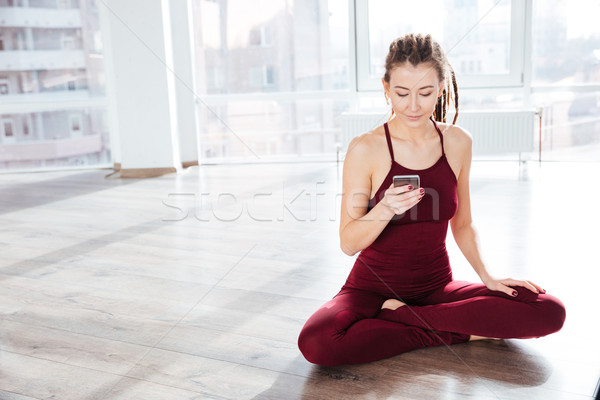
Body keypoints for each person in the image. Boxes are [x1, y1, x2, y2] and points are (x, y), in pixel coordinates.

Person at [297, 33, 566, 367]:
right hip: (371, 290)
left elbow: (463, 224)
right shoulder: (364, 148)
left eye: (425, 93)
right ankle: (450, 329)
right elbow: (348, 243)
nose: (413, 105)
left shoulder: (458, 142)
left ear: (440, 88)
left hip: (436, 287)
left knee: (547, 309)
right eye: (401, 93)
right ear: (385, 89)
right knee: (318, 342)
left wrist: (488, 276)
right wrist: (384, 209)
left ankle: (405, 319)